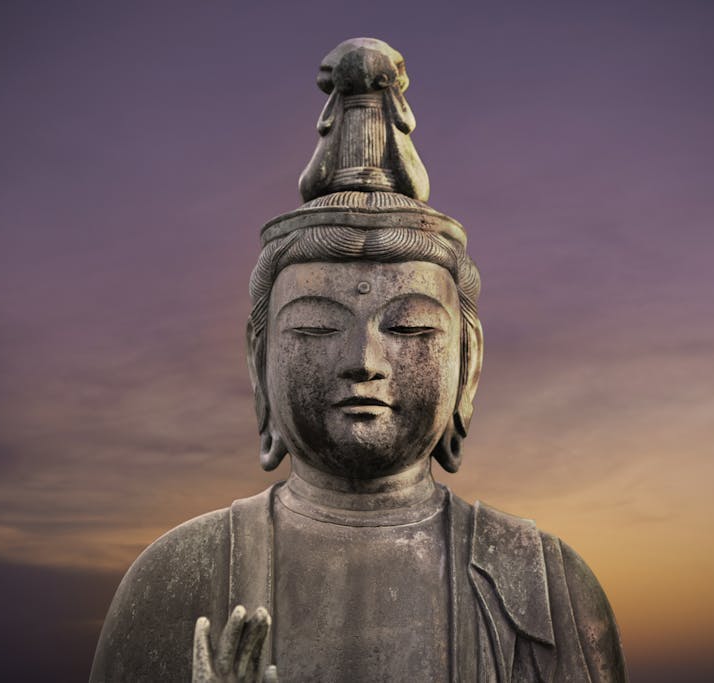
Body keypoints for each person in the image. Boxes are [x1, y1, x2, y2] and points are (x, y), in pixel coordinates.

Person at [90, 38, 627, 683]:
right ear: (260, 361)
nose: (365, 361)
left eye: (409, 327)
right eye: (317, 327)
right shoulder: (179, 578)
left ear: (469, 363)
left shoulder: (544, 588)